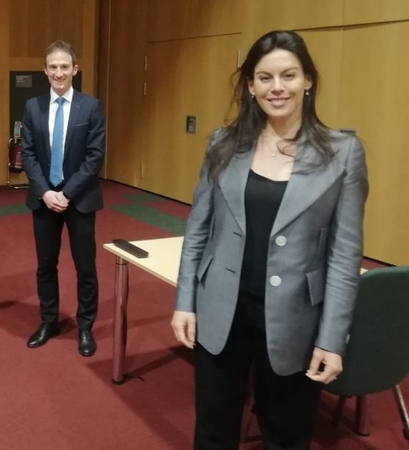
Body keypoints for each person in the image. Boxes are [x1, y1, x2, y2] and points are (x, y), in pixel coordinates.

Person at [170, 30, 368, 449]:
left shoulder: (342, 152)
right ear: (251, 85)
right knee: (212, 428)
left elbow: (344, 256)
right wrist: (185, 300)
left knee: (286, 435)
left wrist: (332, 339)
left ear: (308, 80)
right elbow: (199, 229)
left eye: (289, 75)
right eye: (265, 77)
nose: (277, 87)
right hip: (223, 308)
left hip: (296, 318)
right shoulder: (223, 144)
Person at [20, 40, 106, 357]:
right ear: (45, 71)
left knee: (85, 267)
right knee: (45, 265)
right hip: (43, 199)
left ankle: (85, 327)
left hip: (79, 200)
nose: (59, 72)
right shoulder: (33, 107)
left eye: (64, 67)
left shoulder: (91, 107)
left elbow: (94, 157)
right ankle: (48, 321)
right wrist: (46, 191)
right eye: (53, 67)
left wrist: (66, 193)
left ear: (74, 70)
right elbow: (27, 153)